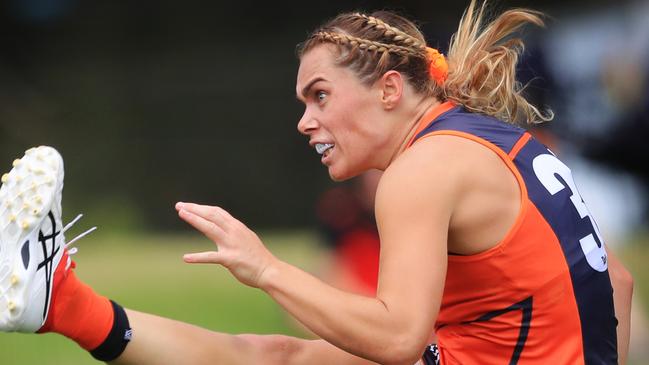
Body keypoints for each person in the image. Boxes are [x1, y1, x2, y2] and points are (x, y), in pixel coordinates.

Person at [0, 1, 633, 364]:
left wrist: (265, 269)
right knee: (277, 356)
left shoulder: (421, 170)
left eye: (320, 96)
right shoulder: (493, 139)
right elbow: (618, 283)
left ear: (389, 89)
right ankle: (58, 303)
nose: (306, 122)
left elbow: (397, 336)